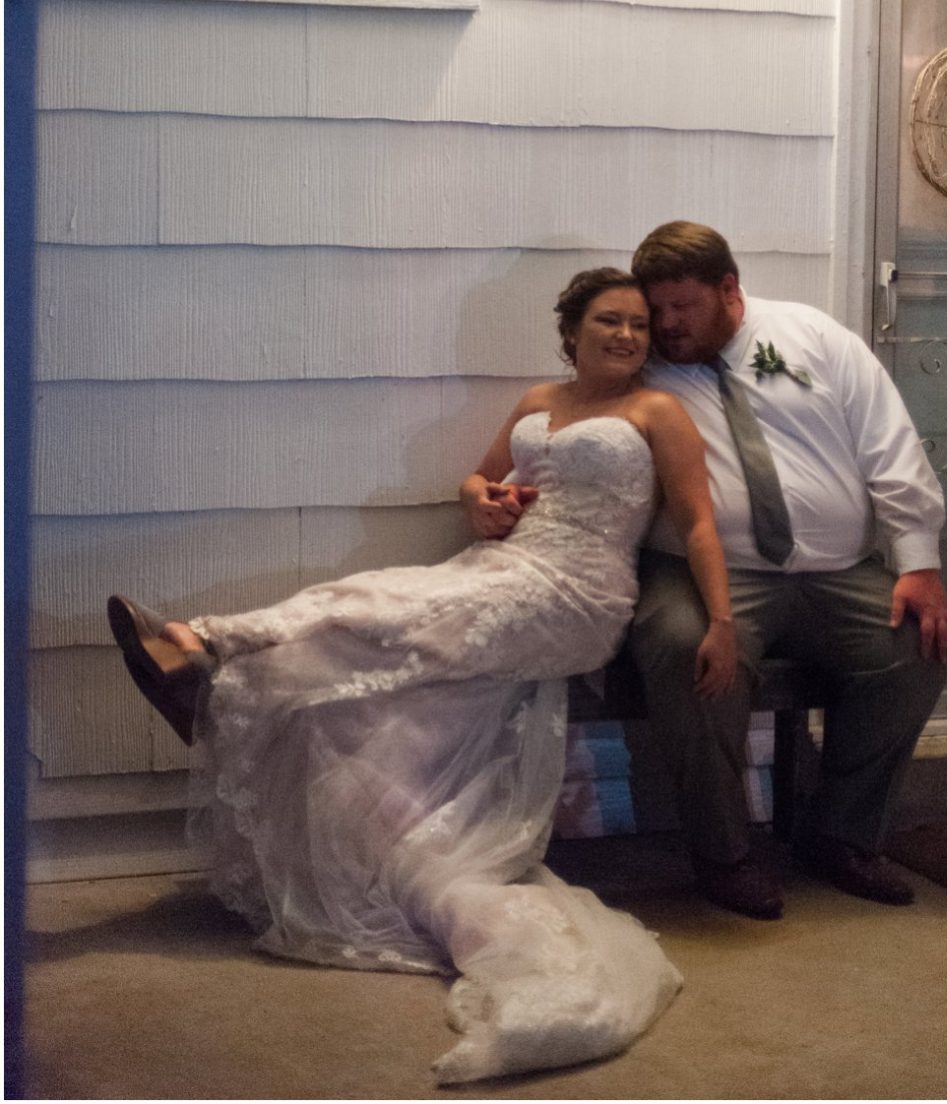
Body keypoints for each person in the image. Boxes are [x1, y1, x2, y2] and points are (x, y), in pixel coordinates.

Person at [108, 268, 737, 1085]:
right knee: (371, 619)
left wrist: (721, 622)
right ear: (572, 330)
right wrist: (482, 498)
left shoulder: (656, 411)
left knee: (377, 602)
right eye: (610, 322)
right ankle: (215, 688)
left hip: (577, 596)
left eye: (639, 328)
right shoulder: (538, 401)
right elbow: (482, 479)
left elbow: (695, 519)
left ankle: (207, 643)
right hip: (503, 568)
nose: (626, 337)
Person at [627, 220, 947, 920]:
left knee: (912, 650)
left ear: (728, 289)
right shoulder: (640, 360)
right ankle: (723, 854)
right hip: (699, 570)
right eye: (656, 309)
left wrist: (917, 561)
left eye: (683, 307)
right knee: (687, 650)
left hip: (835, 569)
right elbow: (575, 421)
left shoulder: (811, 337)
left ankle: (838, 837)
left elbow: (888, 445)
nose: (666, 325)